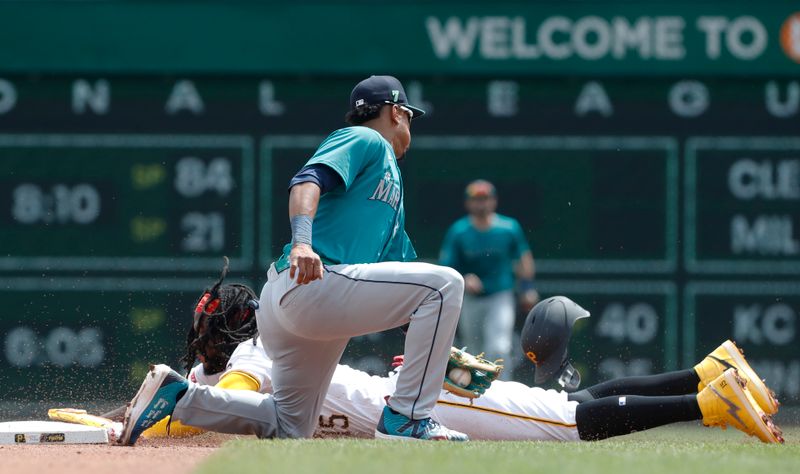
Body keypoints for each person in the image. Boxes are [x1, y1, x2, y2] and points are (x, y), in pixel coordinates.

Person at [117, 76, 469, 445]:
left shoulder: (389, 190)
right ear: (396, 112)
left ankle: (178, 398)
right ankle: (408, 418)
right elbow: (307, 181)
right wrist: (302, 242)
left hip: (302, 306)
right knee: (447, 284)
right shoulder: (364, 138)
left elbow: (406, 291)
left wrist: (435, 350)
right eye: (410, 116)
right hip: (315, 282)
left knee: (289, 424)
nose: (410, 126)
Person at [80, 279, 779, 444]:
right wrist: (122, 418)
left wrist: (148, 424)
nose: (205, 340)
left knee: (566, 422)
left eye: (209, 331)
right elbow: (203, 394)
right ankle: (706, 375)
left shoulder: (256, 356)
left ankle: (705, 399)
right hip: (405, 398)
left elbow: (229, 397)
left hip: (420, 404)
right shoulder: (238, 358)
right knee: (568, 410)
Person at [440, 179, 538, 378]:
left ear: (494, 201)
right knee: (474, 351)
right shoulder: (459, 231)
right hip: (469, 298)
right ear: (468, 203)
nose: (481, 204)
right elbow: (446, 267)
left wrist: (527, 287)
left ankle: (503, 393)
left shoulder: (508, 228)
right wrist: (464, 278)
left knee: (499, 347)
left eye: (485, 199)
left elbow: (523, 259)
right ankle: (479, 398)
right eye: (476, 199)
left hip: (500, 295)